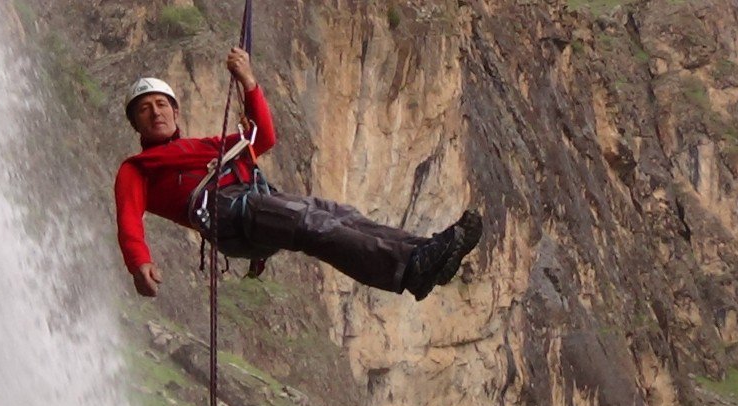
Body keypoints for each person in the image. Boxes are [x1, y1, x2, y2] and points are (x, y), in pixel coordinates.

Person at [114, 47, 482, 301]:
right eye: (144, 110)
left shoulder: (208, 147)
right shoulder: (138, 169)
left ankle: (425, 253)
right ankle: (409, 270)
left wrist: (248, 80)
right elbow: (129, 220)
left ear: (176, 113)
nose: (155, 112)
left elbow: (264, 136)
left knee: (338, 215)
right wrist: (139, 264)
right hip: (231, 217)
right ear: (135, 124)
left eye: (161, 104)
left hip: (256, 203)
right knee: (310, 224)